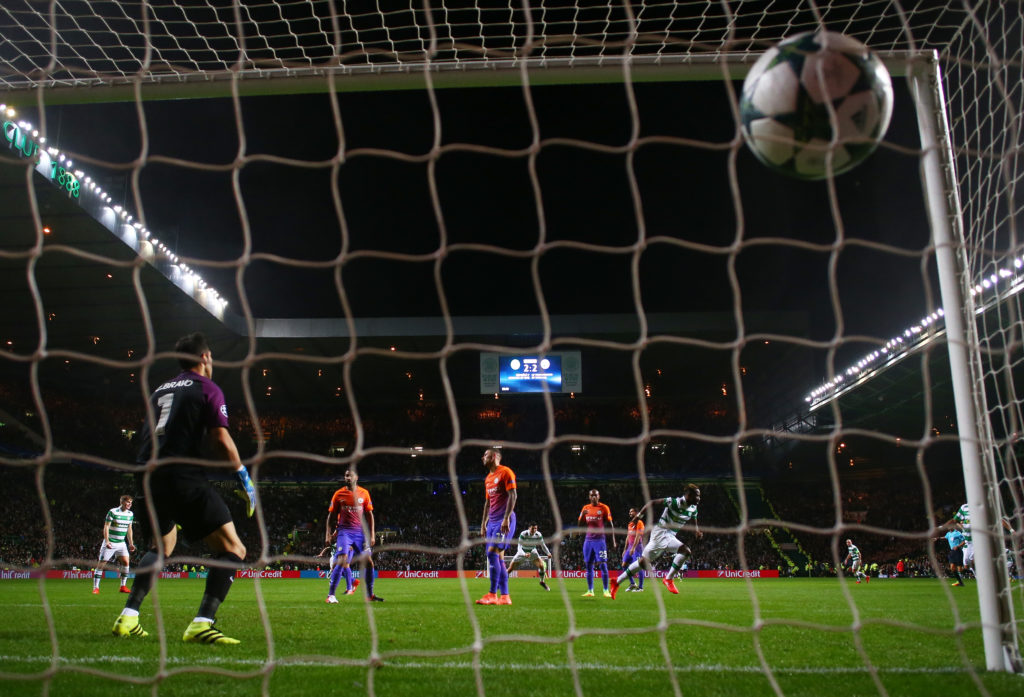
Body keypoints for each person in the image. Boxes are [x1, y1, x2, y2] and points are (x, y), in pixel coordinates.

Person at [111, 332, 256, 645]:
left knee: (160, 548)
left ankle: (129, 616)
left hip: (146, 474)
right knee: (234, 549)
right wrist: (242, 474)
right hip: (181, 474)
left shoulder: (159, 390)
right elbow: (220, 439)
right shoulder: (208, 388)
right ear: (205, 358)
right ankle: (202, 623)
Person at [610, 484, 702, 599]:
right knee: (685, 551)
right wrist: (639, 516)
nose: (699, 498)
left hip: (668, 535)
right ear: (688, 495)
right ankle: (668, 579)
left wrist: (696, 530)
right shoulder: (674, 502)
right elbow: (651, 503)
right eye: (697, 496)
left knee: (643, 563)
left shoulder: (693, 508)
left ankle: (616, 582)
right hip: (661, 532)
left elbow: (694, 517)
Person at [325, 468, 383, 603]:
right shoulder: (338, 494)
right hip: (344, 532)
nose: (348, 478)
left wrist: (372, 535)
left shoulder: (364, 493)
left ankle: (370, 595)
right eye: (346, 476)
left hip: (360, 533)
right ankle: (331, 595)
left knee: (369, 562)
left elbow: (370, 515)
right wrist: (328, 535)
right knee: (342, 560)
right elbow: (330, 516)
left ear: (356, 477)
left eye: (350, 476)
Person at [476, 448, 516, 606]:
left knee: (492, 553)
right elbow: (487, 503)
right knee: (498, 558)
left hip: (503, 521)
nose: (482, 458)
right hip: (492, 523)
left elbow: (513, 495)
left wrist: (506, 518)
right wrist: (483, 523)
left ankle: (492, 594)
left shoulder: (506, 472)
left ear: (493, 457)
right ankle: (505, 596)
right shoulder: (487, 479)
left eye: (485, 455)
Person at [92, 495, 136, 594]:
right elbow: (106, 527)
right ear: (122, 502)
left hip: (121, 543)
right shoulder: (113, 512)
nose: (130, 504)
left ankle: (123, 586)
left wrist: (131, 543)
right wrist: (107, 541)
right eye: (128, 502)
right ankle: (96, 587)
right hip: (111, 542)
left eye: (131, 502)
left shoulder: (130, 514)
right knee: (101, 564)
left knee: (126, 563)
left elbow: (129, 528)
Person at [577, 489, 616, 597]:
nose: (594, 497)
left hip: (600, 541)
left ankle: (606, 590)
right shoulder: (585, 508)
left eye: (595, 495)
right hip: (588, 540)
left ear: (599, 496)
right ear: (589, 497)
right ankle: (590, 591)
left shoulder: (604, 507)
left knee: (603, 565)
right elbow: (579, 525)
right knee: (588, 565)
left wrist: (613, 540)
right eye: (591, 495)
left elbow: (611, 524)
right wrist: (582, 516)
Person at [505, 524, 551, 591]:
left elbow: (543, 545)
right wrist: (524, 554)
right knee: (510, 569)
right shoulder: (523, 534)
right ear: (529, 528)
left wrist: (548, 553)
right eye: (533, 528)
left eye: (535, 528)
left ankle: (542, 582)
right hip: (522, 552)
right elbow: (519, 547)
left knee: (541, 566)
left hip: (533, 552)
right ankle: (501, 582)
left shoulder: (538, 535)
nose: (534, 530)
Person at [621, 507, 646, 592]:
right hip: (629, 547)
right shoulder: (630, 524)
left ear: (636, 513)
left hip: (637, 548)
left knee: (639, 566)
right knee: (624, 565)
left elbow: (638, 536)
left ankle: (641, 587)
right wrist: (625, 549)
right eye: (629, 512)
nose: (630, 513)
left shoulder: (640, 523)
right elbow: (628, 536)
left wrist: (634, 548)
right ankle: (632, 583)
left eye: (631, 511)